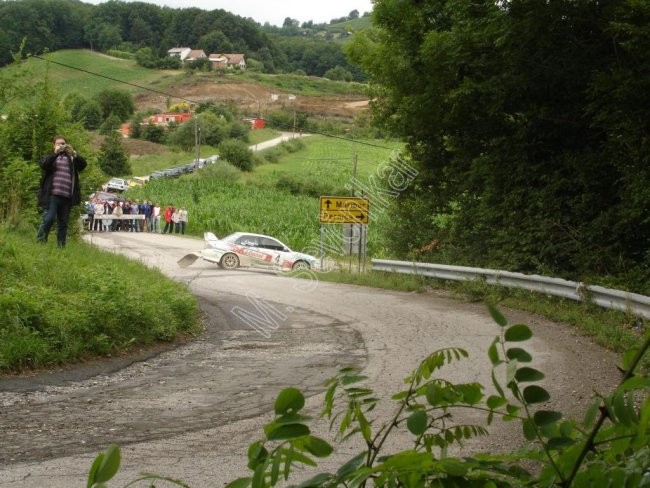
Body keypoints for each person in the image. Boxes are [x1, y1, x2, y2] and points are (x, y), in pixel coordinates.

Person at [36, 135, 87, 247]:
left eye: (63, 143)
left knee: (63, 223)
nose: (61, 145)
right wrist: (55, 153)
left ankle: (61, 247)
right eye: (58, 143)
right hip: (53, 195)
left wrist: (74, 153)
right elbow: (43, 164)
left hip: (67, 197)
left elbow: (83, 165)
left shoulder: (72, 158)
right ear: (54, 145)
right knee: (49, 218)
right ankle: (40, 241)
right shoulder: (51, 157)